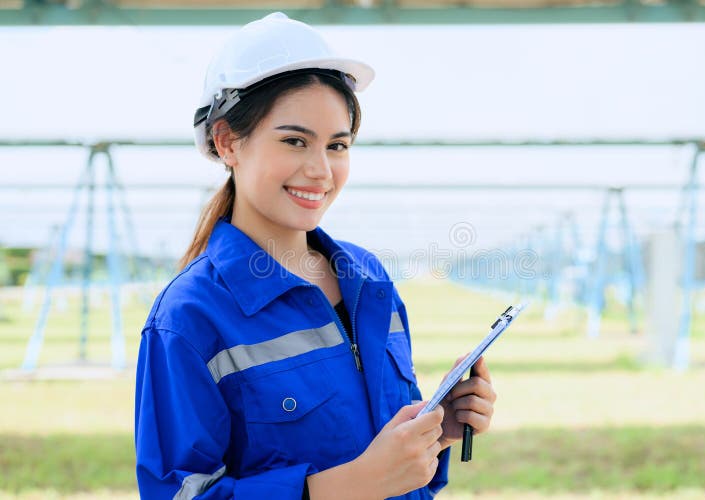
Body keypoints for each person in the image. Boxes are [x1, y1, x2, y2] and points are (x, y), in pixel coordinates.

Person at [134, 12, 497, 499]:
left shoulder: (368, 278)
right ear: (227, 142)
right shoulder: (190, 317)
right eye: (295, 141)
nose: (321, 170)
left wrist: (437, 430)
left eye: (337, 145)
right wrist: (347, 486)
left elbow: (390, 455)